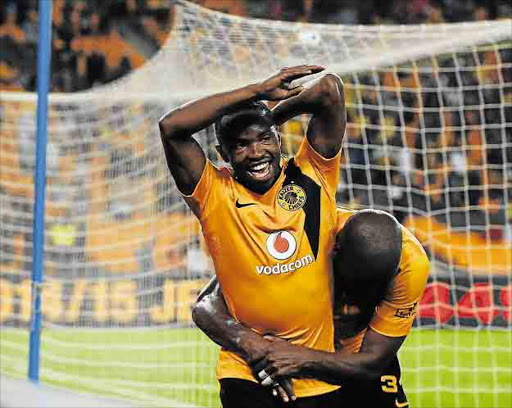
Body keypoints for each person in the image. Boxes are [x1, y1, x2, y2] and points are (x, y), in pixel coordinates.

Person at [159, 65, 346, 407]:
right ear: (223, 154)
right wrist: (255, 91)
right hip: (247, 370)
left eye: (263, 138)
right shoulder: (214, 193)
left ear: (278, 138)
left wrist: (270, 114)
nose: (257, 152)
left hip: (316, 370)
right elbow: (171, 127)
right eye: (241, 145)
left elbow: (329, 90)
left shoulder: (312, 173)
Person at [193, 208, 430, 407]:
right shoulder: (299, 236)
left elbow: (372, 362)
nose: (353, 301)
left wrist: (302, 360)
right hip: (282, 348)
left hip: (352, 358)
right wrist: (259, 348)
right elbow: (206, 305)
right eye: (349, 284)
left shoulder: (411, 266)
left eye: (372, 290)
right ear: (334, 250)